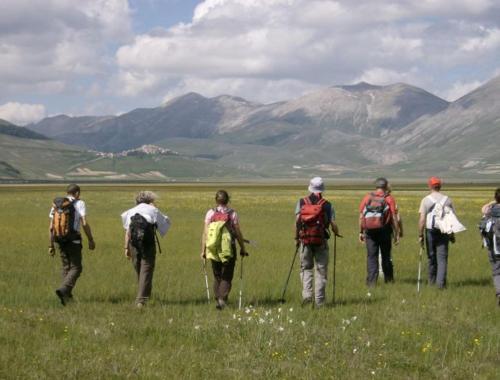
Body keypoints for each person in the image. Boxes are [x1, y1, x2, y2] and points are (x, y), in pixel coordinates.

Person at [295, 177, 340, 307]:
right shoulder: (327, 204)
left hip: (305, 241)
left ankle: (307, 297)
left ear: (310, 187)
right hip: (321, 241)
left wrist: (296, 239)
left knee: (306, 269)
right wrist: (336, 232)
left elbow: (297, 222)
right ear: (322, 188)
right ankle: (320, 301)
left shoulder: (302, 202)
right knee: (321, 271)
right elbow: (333, 224)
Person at [121, 191, 170, 308]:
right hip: (148, 243)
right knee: (146, 270)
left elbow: (128, 232)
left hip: (133, 244)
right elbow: (165, 225)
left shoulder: (130, 211)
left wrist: (126, 247)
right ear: (150, 200)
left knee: (139, 270)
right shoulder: (153, 210)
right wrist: (156, 209)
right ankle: (141, 301)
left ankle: (144, 297)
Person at [49, 183, 96, 305]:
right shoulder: (79, 203)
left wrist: (51, 245)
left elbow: (51, 227)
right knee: (76, 267)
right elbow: (84, 223)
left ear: (67, 192)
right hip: (74, 240)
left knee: (66, 267)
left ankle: (66, 297)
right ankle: (64, 290)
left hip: (60, 239)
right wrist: (90, 239)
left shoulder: (56, 205)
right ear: (77, 193)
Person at [201, 190, 248, 310]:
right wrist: (243, 248)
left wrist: (203, 250)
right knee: (226, 275)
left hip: (213, 248)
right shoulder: (232, 214)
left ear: (216, 200)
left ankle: (218, 299)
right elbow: (237, 233)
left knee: (217, 275)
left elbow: (205, 233)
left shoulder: (210, 213)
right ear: (228, 200)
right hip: (228, 249)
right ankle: (222, 300)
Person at [359, 178, 400, 286]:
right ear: (386, 186)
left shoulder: (367, 197)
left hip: (369, 232)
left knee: (372, 257)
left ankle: (371, 283)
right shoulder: (389, 198)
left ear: (376, 186)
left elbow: (361, 216)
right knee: (386, 256)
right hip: (385, 231)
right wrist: (396, 233)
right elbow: (394, 217)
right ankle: (389, 281)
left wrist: (361, 232)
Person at [418, 177, 455, 289]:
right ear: (440, 186)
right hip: (444, 231)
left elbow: (422, 219)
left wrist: (420, 235)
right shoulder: (447, 200)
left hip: (430, 231)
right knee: (442, 258)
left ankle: (431, 282)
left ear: (430, 186)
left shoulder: (426, 200)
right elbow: (452, 219)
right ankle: (440, 285)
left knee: (431, 257)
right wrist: (452, 235)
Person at [480, 188, 500, 306]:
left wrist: (494, 202)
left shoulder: (491, 211)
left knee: (497, 272)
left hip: (494, 247)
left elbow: (483, 209)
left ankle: (499, 292)